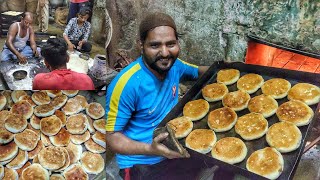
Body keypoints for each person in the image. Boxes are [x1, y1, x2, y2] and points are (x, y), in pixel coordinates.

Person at [106, 12, 209, 179]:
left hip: (175, 146)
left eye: (171, 44)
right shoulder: (127, 84)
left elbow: (198, 72)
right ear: (141, 45)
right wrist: (150, 149)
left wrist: (228, 68)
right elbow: (112, 138)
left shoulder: (175, 66)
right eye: (155, 45)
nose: (165, 53)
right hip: (142, 161)